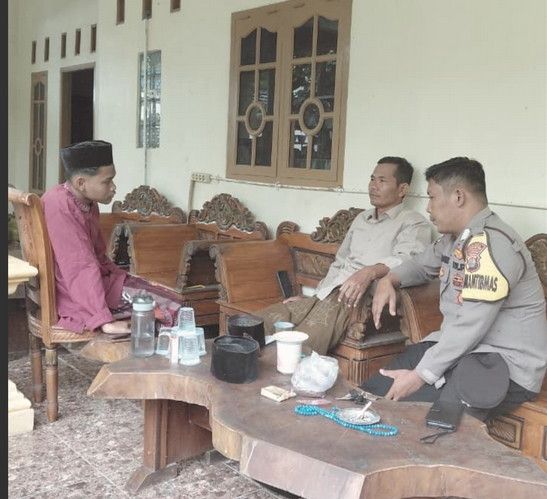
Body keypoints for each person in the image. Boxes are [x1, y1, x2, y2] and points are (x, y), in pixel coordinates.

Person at [363, 157, 547, 420]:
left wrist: (421, 375)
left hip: (503, 365)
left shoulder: (491, 245)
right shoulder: (456, 238)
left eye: (432, 197)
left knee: (413, 417)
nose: (428, 207)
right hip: (465, 350)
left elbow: (471, 325)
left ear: (458, 197)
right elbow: (420, 265)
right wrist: (389, 279)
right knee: (373, 393)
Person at [256, 157, 432, 355]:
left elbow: (410, 261)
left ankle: (274, 371)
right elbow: (340, 262)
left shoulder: (413, 223)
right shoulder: (362, 218)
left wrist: (370, 272)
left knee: (297, 345)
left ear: (402, 189)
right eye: (372, 179)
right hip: (330, 293)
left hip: (358, 302)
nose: (373, 186)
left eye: (382, 181)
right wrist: (315, 297)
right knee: (260, 322)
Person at [42, 140, 180, 336]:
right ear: (81, 183)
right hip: (75, 297)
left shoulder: (86, 202)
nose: (114, 187)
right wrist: (103, 319)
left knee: (169, 296)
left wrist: (126, 278)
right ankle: (145, 354)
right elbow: (80, 267)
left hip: (95, 285)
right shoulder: (60, 206)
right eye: (107, 181)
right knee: (175, 308)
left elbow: (99, 257)